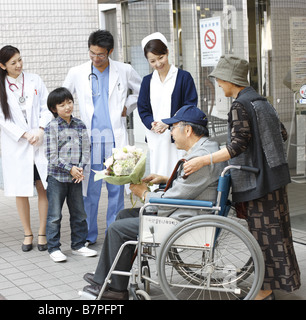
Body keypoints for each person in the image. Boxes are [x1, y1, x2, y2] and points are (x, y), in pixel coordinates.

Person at [183, 55, 301, 300]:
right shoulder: (261, 101)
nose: (218, 84)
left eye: (219, 80)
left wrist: (202, 160)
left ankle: (265, 290)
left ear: (230, 80)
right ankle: (275, 284)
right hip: (275, 177)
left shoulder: (240, 105)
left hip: (256, 180)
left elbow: (237, 145)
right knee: (278, 234)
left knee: (263, 237)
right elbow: (282, 132)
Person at [82, 105, 225, 299]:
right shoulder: (207, 148)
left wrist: (143, 194)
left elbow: (174, 199)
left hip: (185, 218)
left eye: (173, 127)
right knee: (124, 216)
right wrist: (166, 179)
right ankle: (108, 278)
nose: (171, 132)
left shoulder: (199, 159)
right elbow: (190, 187)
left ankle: (116, 290)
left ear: (188, 130)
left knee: (118, 228)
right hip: (188, 209)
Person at [63, 29, 142, 246]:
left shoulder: (124, 70)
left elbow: (142, 90)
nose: (96, 59)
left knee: (116, 190)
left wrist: (128, 105)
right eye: (92, 53)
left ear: (110, 51)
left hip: (115, 139)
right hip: (91, 139)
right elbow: (62, 96)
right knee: (90, 191)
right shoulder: (77, 72)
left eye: (100, 55)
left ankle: (113, 234)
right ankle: (88, 235)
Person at [0, 45, 54, 252]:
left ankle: (42, 232)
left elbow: (47, 107)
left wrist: (40, 129)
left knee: (42, 187)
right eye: (13, 63)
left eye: (20, 60)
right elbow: (2, 119)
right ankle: (28, 233)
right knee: (21, 191)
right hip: (18, 145)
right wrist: (24, 134)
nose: (19, 65)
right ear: (3, 66)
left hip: (38, 141)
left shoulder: (35, 80)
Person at [44, 87, 98, 262]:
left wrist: (80, 168)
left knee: (79, 213)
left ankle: (78, 245)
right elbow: (51, 156)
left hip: (76, 177)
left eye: (69, 102)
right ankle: (53, 248)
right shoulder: (51, 127)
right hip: (57, 178)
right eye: (62, 104)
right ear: (54, 109)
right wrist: (70, 168)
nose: (67, 107)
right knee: (54, 215)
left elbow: (86, 149)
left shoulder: (80, 124)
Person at [137, 32, 198, 177]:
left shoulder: (184, 77)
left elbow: (190, 107)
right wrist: (151, 123)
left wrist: (168, 123)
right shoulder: (147, 81)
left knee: (178, 175)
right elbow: (143, 109)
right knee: (157, 176)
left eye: (161, 57)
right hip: (155, 137)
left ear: (167, 52)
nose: (158, 64)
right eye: (152, 61)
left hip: (179, 137)